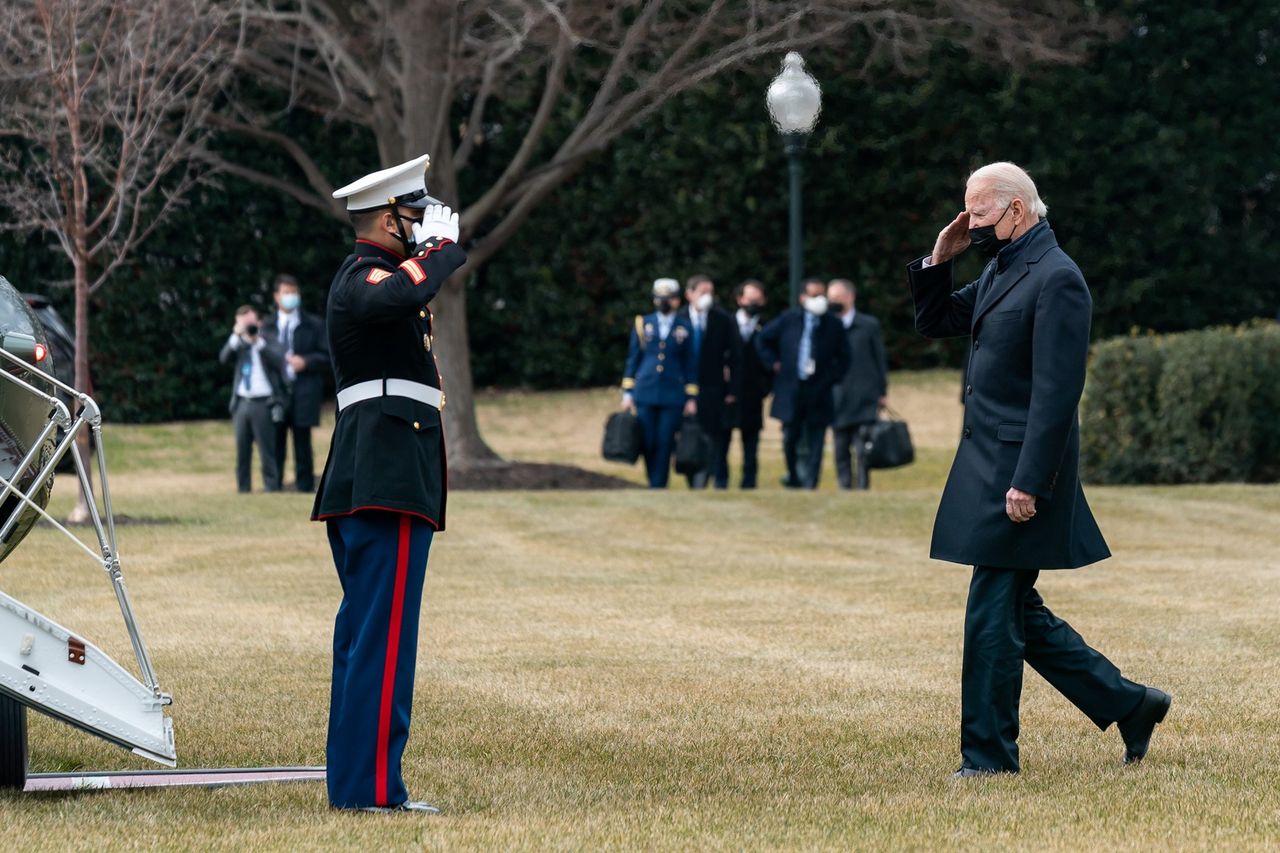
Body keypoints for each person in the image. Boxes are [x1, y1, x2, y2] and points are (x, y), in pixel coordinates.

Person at [907, 161, 1171, 778]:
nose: (969, 224)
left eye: (977, 214)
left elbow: (1056, 394)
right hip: (986, 464)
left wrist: (1030, 481)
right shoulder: (1003, 267)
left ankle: (989, 759)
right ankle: (1131, 704)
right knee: (1015, 609)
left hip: (1020, 472)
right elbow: (938, 321)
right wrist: (938, 259)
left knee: (992, 610)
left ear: (1016, 211)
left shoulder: (1057, 279)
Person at [312, 153, 466, 813]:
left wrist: (428, 255)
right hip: (385, 473)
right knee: (379, 639)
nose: (423, 223)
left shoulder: (376, 278)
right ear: (384, 217)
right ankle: (373, 791)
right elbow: (396, 292)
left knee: (368, 636)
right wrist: (438, 254)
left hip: (383, 471)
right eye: (413, 213)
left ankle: (356, 787)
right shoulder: (360, 278)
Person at [755, 279, 850, 489]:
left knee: (817, 436)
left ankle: (811, 482)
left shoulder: (833, 324)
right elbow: (763, 340)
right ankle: (794, 477)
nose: (819, 300)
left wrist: (831, 377)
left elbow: (844, 357)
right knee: (790, 437)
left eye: (821, 295)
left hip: (819, 389)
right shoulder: (789, 319)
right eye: (814, 295)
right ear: (802, 298)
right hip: (792, 389)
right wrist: (774, 364)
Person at [621, 278, 698, 488]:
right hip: (645, 391)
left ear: (676, 300)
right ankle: (652, 479)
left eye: (669, 298)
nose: (664, 302)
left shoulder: (685, 327)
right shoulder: (643, 324)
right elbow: (633, 359)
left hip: (672, 393)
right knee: (648, 440)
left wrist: (691, 396)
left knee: (665, 440)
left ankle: (658, 483)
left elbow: (690, 363)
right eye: (660, 298)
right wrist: (628, 392)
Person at [262, 274, 330, 492]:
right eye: (285, 292)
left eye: (294, 292)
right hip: (277, 392)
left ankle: (304, 485)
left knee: (302, 442)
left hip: (304, 390)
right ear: (276, 296)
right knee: (275, 442)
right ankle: (274, 486)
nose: (290, 297)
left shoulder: (313, 325)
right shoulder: (267, 326)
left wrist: (306, 361)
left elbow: (326, 356)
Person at [679, 274, 742, 489]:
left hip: (714, 387)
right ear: (690, 294)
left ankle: (718, 479)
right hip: (685, 388)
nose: (707, 297)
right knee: (690, 435)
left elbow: (736, 356)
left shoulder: (723, 319)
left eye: (710, 292)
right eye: (702, 292)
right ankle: (693, 477)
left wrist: (732, 389)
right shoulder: (680, 320)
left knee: (717, 436)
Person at [827, 279, 889, 490]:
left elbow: (879, 360)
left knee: (863, 447)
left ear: (850, 297)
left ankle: (863, 486)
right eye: (831, 298)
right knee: (840, 446)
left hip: (864, 395)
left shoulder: (868, 325)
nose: (833, 302)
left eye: (838, 297)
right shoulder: (826, 326)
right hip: (837, 395)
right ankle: (844, 486)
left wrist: (882, 391)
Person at [219, 305, 286, 493]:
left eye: (251, 323)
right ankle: (243, 488)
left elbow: (278, 360)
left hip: (263, 403)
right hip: (242, 403)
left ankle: (272, 488)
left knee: (267, 451)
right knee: (242, 451)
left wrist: (258, 342)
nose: (249, 327)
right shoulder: (239, 344)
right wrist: (236, 336)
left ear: (258, 322)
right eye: (244, 323)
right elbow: (223, 358)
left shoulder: (268, 341)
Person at [732, 280, 772, 489]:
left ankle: (749, 482)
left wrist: (766, 387)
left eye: (757, 299)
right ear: (740, 299)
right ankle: (720, 480)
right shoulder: (727, 323)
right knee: (722, 440)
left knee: (751, 442)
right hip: (728, 393)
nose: (753, 303)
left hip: (754, 393)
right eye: (749, 299)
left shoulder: (768, 326)